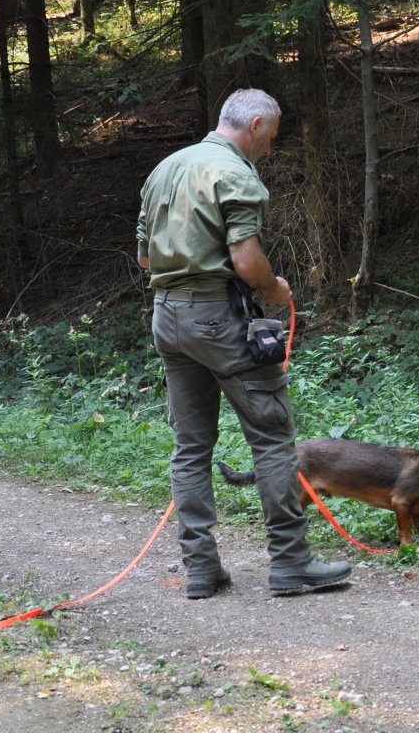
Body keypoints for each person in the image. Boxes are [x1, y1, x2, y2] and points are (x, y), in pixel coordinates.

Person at [136, 88, 351, 599]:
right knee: (273, 436)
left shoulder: (165, 169)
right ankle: (291, 562)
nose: (270, 149)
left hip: (167, 317)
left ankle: (201, 571)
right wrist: (274, 289)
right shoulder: (235, 174)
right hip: (218, 318)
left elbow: (145, 260)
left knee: (190, 447)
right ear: (255, 124)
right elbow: (248, 263)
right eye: (271, 137)